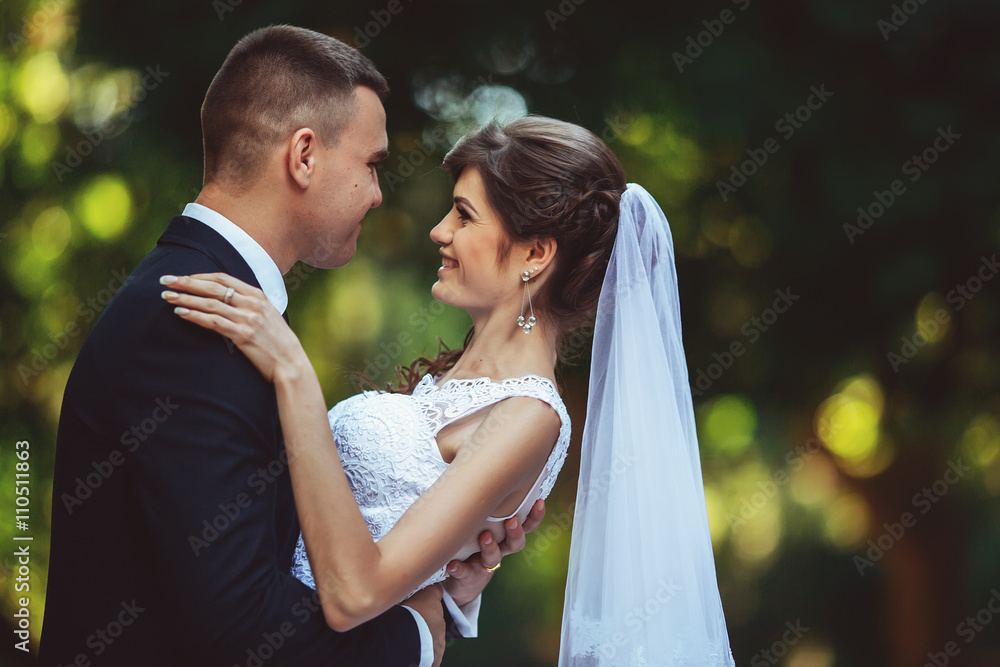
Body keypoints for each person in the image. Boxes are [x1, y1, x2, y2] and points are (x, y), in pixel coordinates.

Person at [38, 26, 537, 667]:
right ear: (303, 156)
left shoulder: (219, 303)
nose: (378, 194)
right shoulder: (193, 322)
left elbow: (269, 549)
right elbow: (237, 624)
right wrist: (415, 637)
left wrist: (444, 569)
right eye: (372, 164)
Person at [166, 115, 737, 664]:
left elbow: (355, 595)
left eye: (464, 215)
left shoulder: (530, 415)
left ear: (535, 254)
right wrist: (455, 591)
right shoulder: (452, 381)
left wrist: (295, 375)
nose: (440, 231)